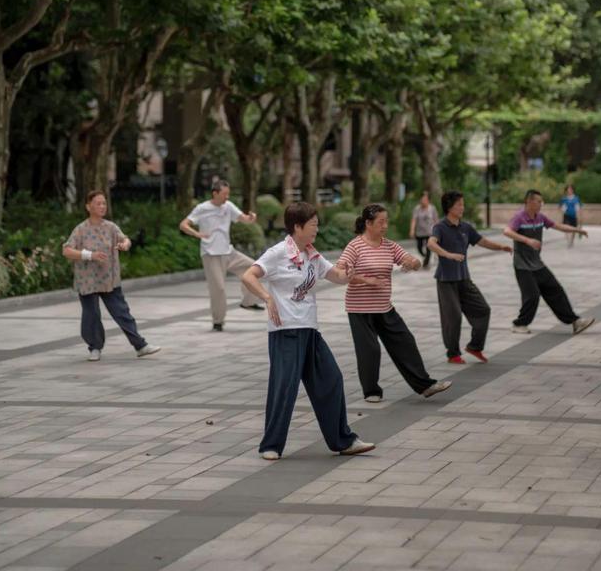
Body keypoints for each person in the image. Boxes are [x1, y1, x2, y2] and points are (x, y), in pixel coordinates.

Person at [241, 201, 376, 461]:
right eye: (313, 224)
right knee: (284, 388)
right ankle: (271, 444)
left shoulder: (312, 254)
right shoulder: (278, 252)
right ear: (297, 226)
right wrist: (267, 297)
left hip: (310, 332)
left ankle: (342, 440)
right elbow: (249, 275)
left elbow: (334, 275)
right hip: (286, 332)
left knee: (332, 379)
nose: (317, 228)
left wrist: (347, 274)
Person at [338, 203, 452, 403]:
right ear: (368, 223)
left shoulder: (389, 245)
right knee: (370, 350)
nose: (385, 225)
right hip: (360, 309)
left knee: (405, 341)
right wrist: (366, 280)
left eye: (386, 221)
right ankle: (371, 391)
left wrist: (413, 263)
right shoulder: (355, 246)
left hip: (384, 307)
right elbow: (340, 272)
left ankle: (425, 386)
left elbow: (411, 260)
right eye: (381, 222)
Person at [62, 190, 161, 362]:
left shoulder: (111, 227)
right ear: (88, 206)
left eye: (104, 203)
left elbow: (125, 240)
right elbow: (67, 250)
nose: (102, 206)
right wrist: (89, 255)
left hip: (109, 279)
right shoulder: (80, 229)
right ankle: (95, 348)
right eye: (98, 203)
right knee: (91, 315)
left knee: (122, 313)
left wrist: (125, 244)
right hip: (88, 281)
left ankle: (140, 345)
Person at [428, 190, 512, 364]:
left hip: (464, 279)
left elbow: (483, 241)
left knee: (483, 310)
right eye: (459, 204)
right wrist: (448, 255)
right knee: (454, 317)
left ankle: (474, 346)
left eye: (462, 204)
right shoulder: (440, 227)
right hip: (446, 281)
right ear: (449, 207)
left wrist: (501, 247)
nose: (462, 207)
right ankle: (453, 353)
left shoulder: (466, 227)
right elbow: (431, 243)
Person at [504, 189, 594, 335]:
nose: (541, 204)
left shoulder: (540, 217)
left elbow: (558, 226)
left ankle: (575, 322)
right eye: (539, 201)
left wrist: (577, 230)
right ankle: (519, 324)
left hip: (537, 264)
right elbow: (507, 231)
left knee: (556, 290)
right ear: (529, 202)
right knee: (532, 295)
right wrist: (527, 240)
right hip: (522, 266)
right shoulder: (519, 217)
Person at [179, 178, 264, 331]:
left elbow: (243, 218)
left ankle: (248, 302)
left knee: (253, 268)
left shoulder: (228, 206)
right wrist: (197, 234)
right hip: (211, 254)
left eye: (228, 194)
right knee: (218, 288)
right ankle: (218, 321)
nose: (227, 197)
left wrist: (251, 219)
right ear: (215, 193)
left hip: (229, 252)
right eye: (224, 194)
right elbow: (184, 224)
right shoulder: (202, 208)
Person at [410, 191, 438, 269]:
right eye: (421, 200)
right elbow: (414, 220)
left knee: (428, 247)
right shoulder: (417, 209)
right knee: (419, 247)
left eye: (424, 200)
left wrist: (438, 230)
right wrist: (412, 230)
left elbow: (436, 219)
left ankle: (426, 263)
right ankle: (425, 256)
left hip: (429, 231)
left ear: (428, 200)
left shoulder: (432, 208)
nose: (423, 202)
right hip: (420, 232)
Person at [559, 184, 583, 248]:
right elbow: (562, 208)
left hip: (574, 216)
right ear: (566, 191)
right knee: (566, 229)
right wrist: (561, 217)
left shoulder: (576, 199)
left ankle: (571, 241)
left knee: (573, 229)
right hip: (566, 215)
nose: (569, 191)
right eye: (568, 189)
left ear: (573, 190)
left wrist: (580, 217)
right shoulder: (564, 199)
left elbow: (578, 208)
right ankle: (568, 241)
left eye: (571, 189)